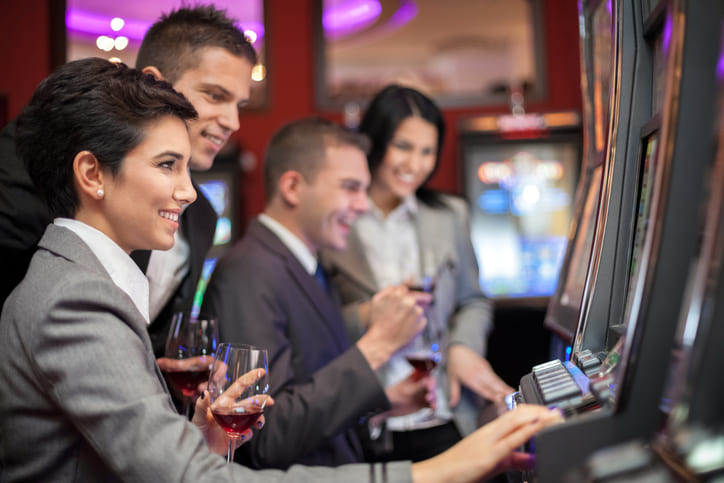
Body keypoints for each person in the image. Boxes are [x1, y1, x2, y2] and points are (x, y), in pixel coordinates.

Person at [0, 56, 561, 483]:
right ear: (92, 175)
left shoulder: (85, 284)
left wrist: (200, 435)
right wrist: (427, 474)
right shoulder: (76, 298)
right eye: (167, 165)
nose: (189, 191)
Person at [0, 5, 255, 359]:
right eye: (215, 95)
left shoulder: (203, 216)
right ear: (155, 81)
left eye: (240, 104)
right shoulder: (43, 177)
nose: (233, 121)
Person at [201, 117, 436, 470]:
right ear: (293, 186)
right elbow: (267, 437)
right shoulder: (247, 272)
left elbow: (308, 395)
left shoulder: (312, 264)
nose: (363, 204)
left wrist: (381, 405)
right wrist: (379, 344)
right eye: (350, 188)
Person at [322, 84, 515, 462]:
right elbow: (317, 325)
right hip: (369, 420)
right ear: (375, 142)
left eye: (428, 151)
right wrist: (371, 314)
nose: (416, 164)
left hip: (446, 413)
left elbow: (473, 300)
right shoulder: (336, 223)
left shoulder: (449, 215)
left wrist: (462, 348)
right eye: (404, 147)